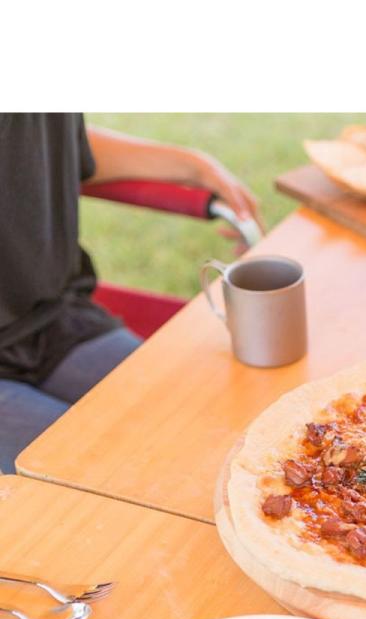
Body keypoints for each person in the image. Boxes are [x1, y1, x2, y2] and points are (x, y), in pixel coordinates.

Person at [0, 113, 264, 473]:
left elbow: (52, 141)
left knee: (216, 434)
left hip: (56, 319)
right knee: (108, 477)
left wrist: (193, 165)